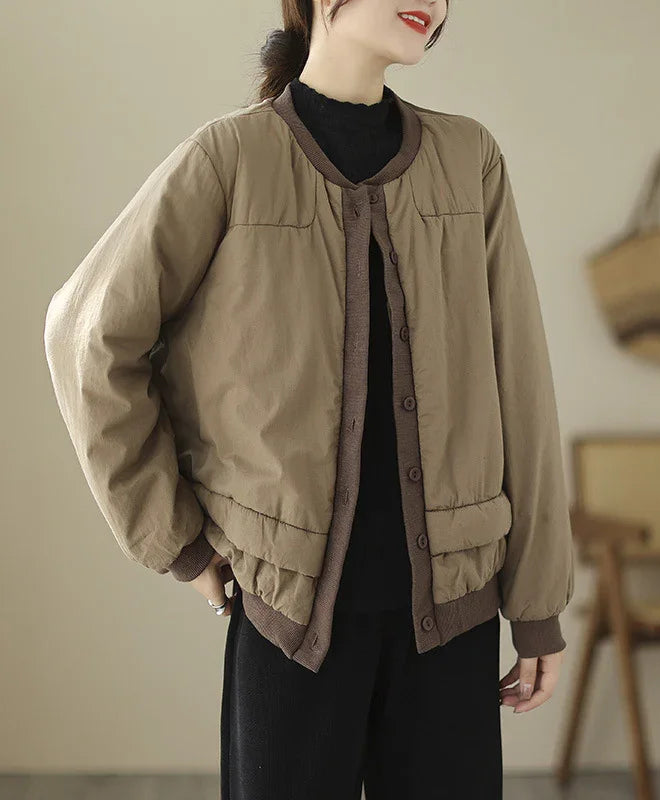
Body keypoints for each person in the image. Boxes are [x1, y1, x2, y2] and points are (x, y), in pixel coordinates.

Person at [43, 1, 575, 797]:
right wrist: (178, 541)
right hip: (287, 620)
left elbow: (521, 384)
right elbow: (86, 336)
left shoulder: (471, 159)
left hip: (455, 614)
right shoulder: (229, 158)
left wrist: (537, 600)